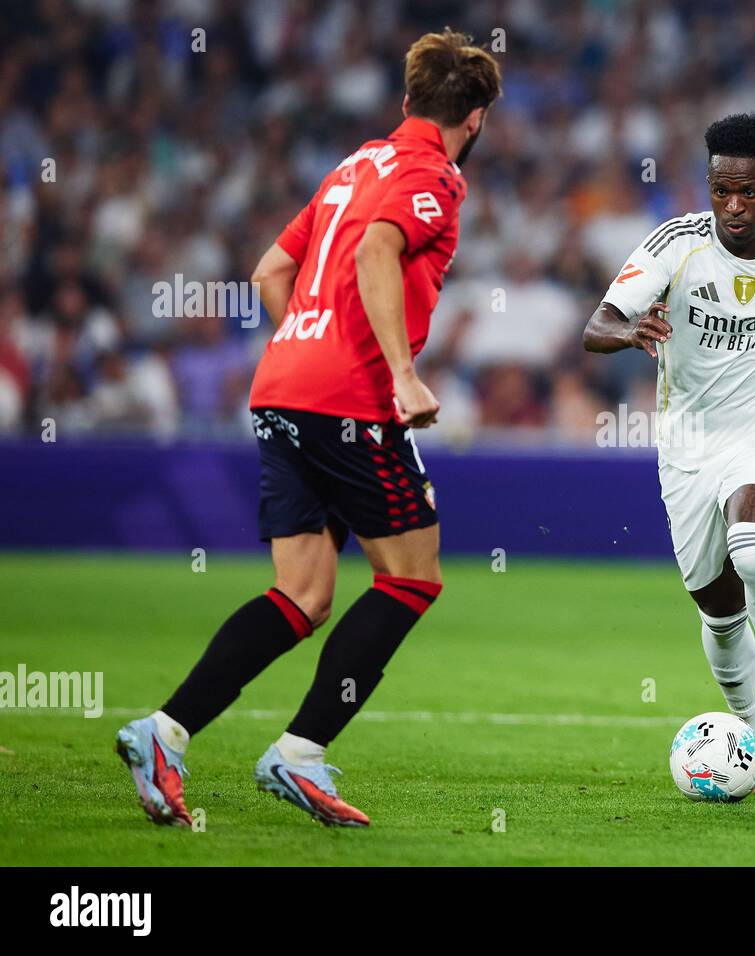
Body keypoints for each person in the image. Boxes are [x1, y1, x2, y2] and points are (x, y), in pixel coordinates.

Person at [114, 29, 501, 828]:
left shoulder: (354, 165)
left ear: (406, 100)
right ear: (477, 118)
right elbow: (377, 252)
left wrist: (308, 346)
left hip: (282, 386)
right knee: (412, 577)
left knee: (303, 593)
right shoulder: (435, 175)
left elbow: (270, 270)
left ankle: (165, 732)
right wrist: (399, 373)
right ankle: (298, 752)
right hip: (350, 400)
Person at [582, 113, 755, 793]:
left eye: (748, 192)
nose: (733, 206)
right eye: (721, 191)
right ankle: (750, 729)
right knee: (719, 609)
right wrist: (629, 333)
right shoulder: (675, 246)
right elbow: (597, 326)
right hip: (687, 445)